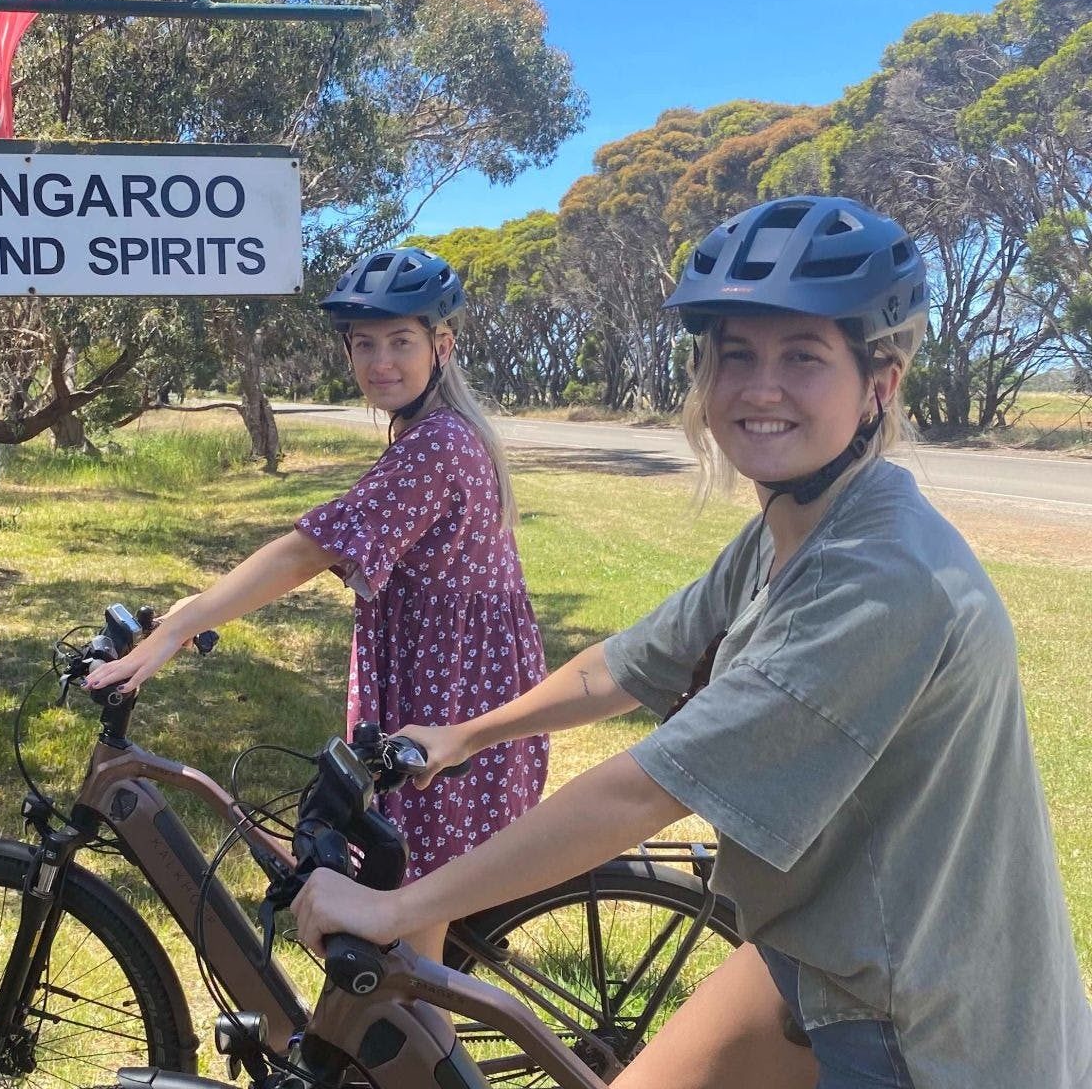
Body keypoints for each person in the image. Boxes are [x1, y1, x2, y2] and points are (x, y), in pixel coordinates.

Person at [291, 197, 1092, 1088]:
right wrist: (468, 735)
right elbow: (628, 662)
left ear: (881, 382)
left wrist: (400, 906)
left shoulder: (881, 577)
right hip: (825, 945)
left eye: (803, 357)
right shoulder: (796, 526)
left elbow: (644, 792)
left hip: (925, 1020)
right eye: (735, 354)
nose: (759, 387)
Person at [87, 246, 550, 961]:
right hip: (453, 685)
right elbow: (347, 544)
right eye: (364, 344)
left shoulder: (439, 446)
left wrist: (183, 626)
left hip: (450, 703)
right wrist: (197, 603)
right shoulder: (432, 434)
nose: (380, 362)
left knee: (407, 924)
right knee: (407, 898)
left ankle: (406, 1064)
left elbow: (311, 551)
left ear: (442, 346)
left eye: (400, 341)